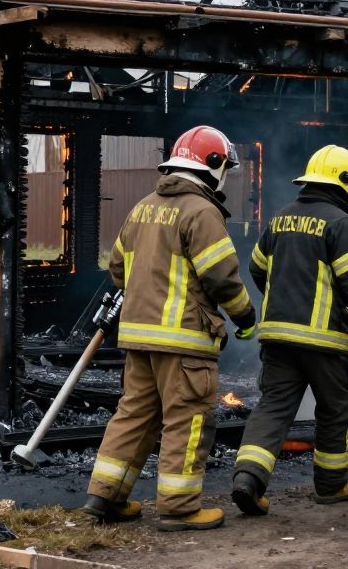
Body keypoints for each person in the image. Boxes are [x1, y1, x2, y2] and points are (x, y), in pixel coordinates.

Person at [82, 126, 257, 532]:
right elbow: (222, 278)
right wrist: (245, 317)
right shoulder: (201, 212)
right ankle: (179, 508)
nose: (225, 176)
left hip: (138, 339)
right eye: (224, 168)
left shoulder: (142, 207)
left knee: (134, 416)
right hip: (184, 343)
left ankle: (104, 497)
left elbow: (117, 269)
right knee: (188, 420)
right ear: (212, 165)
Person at [231, 145, 348, 516]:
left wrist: (283, 299)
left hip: (277, 336)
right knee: (335, 408)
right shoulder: (341, 224)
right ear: (345, 182)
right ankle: (331, 485)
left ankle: (248, 479)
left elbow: (258, 268)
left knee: (273, 408)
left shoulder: (280, 218)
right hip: (323, 341)